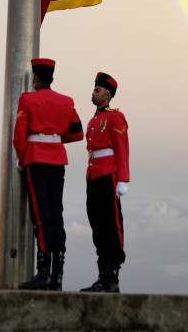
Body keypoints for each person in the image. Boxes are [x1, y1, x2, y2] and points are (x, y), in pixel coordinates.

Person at [13, 58, 83, 291]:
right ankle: (57, 274)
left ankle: (43, 273)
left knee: (41, 216)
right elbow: (77, 133)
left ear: (35, 78)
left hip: (35, 158)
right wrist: (54, 137)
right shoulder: (66, 101)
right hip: (57, 158)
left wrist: (22, 158)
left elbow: (19, 135)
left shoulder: (27, 99)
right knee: (56, 215)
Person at [80, 71, 129, 293]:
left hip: (108, 175)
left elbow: (122, 149)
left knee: (111, 225)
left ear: (107, 93)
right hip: (93, 176)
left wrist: (123, 180)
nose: (93, 93)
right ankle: (102, 276)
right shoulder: (94, 119)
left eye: (97, 90)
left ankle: (112, 276)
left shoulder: (115, 117)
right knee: (97, 228)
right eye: (93, 89)